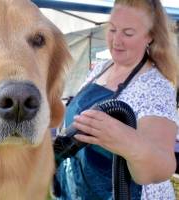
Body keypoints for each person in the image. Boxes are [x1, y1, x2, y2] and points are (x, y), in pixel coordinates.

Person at [54, 0, 179, 199]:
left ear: (150, 36)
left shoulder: (155, 87)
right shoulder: (102, 67)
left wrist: (128, 141)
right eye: (112, 30)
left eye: (128, 33)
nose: (116, 41)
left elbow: (162, 167)